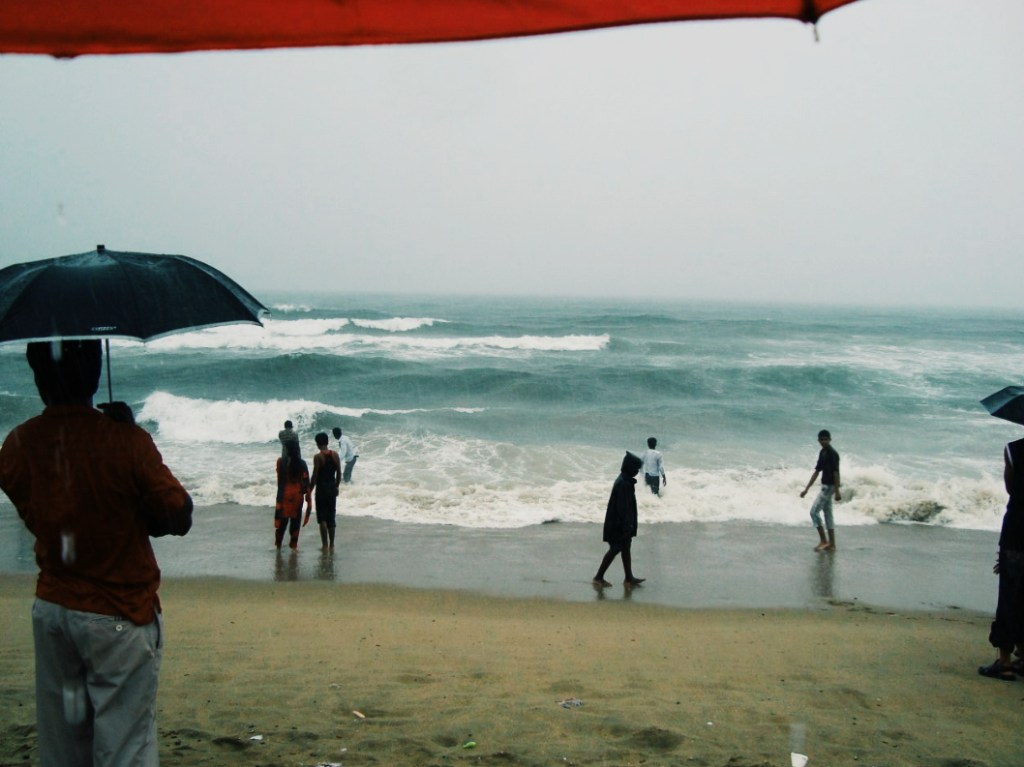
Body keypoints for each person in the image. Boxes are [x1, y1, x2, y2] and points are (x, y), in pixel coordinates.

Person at [0, 339, 193, 767]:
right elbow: (178, 515)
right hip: (119, 614)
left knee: (63, 747)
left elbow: (37, 507)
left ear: (37, 373)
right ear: (95, 369)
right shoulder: (125, 442)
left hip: (53, 610)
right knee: (125, 748)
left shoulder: (18, 443)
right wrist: (130, 435)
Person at [978, 437, 1024, 680]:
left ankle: (1004, 660)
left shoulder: (1014, 449)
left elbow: (1011, 488)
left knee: (1009, 595)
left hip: (1018, 529)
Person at [593, 452, 646, 587]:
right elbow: (623, 508)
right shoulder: (624, 484)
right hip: (618, 525)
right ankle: (598, 577)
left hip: (618, 523)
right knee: (616, 548)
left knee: (626, 547)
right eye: (636, 469)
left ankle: (629, 578)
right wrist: (627, 527)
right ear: (629, 468)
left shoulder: (624, 480)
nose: (637, 472)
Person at [800, 429, 841, 551]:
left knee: (814, 512)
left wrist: (837, 491)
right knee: (828, 513)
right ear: (818, 440)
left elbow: (836, 473)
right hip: (825, 485)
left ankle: (824, 541)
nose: (823, 441)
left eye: (826, 439)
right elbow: (817, 471)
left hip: (830, 487)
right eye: (821, 439)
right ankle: (832, 544)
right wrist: (806, 489)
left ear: (830, 440)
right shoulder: (822, 452)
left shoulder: (833, 454)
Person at [275, 439, 312, 550]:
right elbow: (306, 482)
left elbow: (280, 482)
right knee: (295, 521)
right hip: (297, 496)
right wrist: (308, 500)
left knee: (282, 522)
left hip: (285, 495)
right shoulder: (302, 463)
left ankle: (278, 546)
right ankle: (294, 547)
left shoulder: (281, 462)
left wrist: (279, 499)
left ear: (286, 450)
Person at [310, 432, 342, 550]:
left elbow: (315, 475)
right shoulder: (335, 455)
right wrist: (336, 486)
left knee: (322, 518)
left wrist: (309, 489)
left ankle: (324, 545)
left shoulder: (318, 457)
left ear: (317, 443)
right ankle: (332, 544)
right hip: (332, 488)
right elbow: (339, 472)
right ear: (327, 442)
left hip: (321, 489)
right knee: (331, 517)